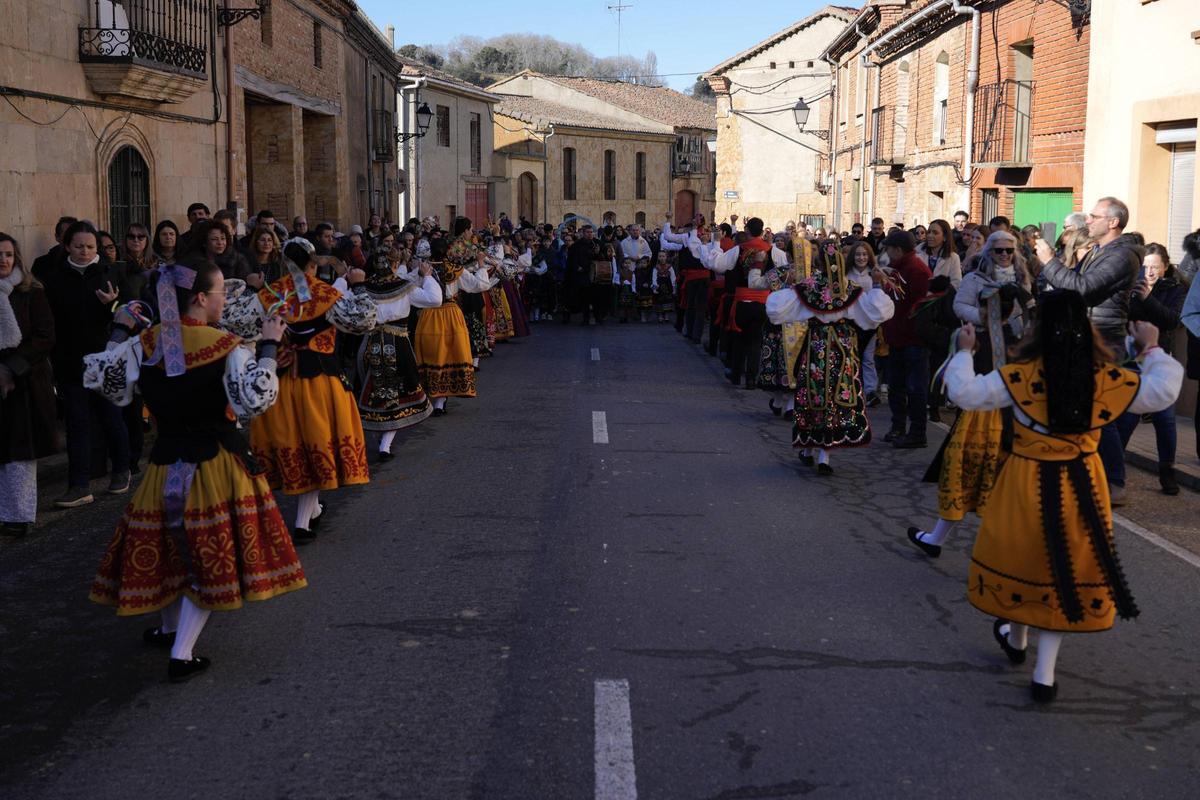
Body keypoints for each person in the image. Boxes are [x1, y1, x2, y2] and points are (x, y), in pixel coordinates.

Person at [943, 291, 1182, 703]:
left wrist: (964, 352)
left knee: (1026, 561)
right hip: (1081, 483)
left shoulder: (1018, 377)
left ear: (1037, 329)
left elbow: (964, 392)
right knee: (1062, 571)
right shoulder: (1105, 379)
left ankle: (1017, 641)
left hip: (1025, 479)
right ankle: (1043, 672)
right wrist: (1151, 347)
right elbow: (1162, 391)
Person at [83, 257, 305, 683]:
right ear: (201, 298)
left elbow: (106, 382)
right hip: (216, 465)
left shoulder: (145, 343)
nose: (225, 301)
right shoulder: (226, 346)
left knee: (168, 546)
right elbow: (254, 400)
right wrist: (269, 347)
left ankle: (169, 630)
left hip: (165, 462)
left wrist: (121, 330)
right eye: (221, 293)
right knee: (208, 554)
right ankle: (182, 653)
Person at [220, 240, 376, 545]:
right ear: (313, 264)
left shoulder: (270, 294)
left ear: (283, 262)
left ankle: (311, 512)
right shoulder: (324, 294)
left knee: (295, 446)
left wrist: (250, 290)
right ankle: (303, 523)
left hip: (279, 383)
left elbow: (235, 321)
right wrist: (359, 286)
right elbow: (363, 320)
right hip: (320, 384)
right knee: (313, 447)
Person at [908, 230, 1032, 557]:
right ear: (989, 251)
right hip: (982, 352)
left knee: (1004, 466)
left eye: (1009, 250)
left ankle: (1001, 550)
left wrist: (1013, 317)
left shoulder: (1022, 278)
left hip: (1010, 361)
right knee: (965, 459)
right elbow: (959, 306)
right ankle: (937, 538)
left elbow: (1028, 314)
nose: (1004, 255)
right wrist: (987, 316)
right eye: (999, 250)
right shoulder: (975, 278)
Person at [1035, 197, 1142, 505]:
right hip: (1087, 336)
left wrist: (1049, 261)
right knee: (1092, 410)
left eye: (1095, 216)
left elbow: (1081, 289)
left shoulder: (1122, 256)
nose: (1089, 220)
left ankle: (1114, 481)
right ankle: (1092, 473)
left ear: (1113, 222)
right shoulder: (1099, 250)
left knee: (1100, 412)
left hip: (1104, 339)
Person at [766, 240, 896, 474]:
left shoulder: (810, 287)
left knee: (814, 395)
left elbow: (777, 309)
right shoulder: (849, 288)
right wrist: (877, 286)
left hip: (816, 346)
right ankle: (824, 455)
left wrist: (791, 284)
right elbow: (875, 313)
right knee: (834, 398)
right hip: (841, 348)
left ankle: (809, 450)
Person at [41, 221, 131, 507]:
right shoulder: (55, 279)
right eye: (79, 246)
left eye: (90, 246)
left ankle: (122, 469)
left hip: (105, 359)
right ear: (67, 246)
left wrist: (112, 305)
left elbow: (132, 315)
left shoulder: (111, 272)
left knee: (111, 418)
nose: (85, 251)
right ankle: (79, 485)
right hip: (70, 362)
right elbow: (50, 321)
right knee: (77, 425)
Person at [356, 249, 440, 459]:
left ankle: (380, 437)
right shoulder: (404, 287)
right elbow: (434, 299)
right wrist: (427, 276)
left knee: (374, 388)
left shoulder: (364, 288)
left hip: (371, 342)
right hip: (398, 344)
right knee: (397, 391)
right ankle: (385, 444)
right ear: (394, 265)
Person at [0, 233, 57, 537]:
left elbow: (45, 336)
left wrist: (11, 368)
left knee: (20, 452)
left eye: (8, 254)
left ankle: (17, 515)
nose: (4, 260)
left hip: (25, 383)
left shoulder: (31, 291)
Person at [1119, 243, 1186, 494]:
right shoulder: (1129, 286)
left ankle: (1167, 471)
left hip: (1159, 359)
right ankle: (1114, 469)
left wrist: (1148, 298)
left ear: (1165, 267)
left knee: (1165, 419)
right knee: (1128, 417)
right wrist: (1138, 297)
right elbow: (1126, 316)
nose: (1149, 272)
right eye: (1145, 267)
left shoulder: (1175, 289)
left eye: (1155, 267)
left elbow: (1171, 320)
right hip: (1130, 358)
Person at [414, 232, 487, 413]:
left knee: (432, 355)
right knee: (450, 355)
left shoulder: (422, 269)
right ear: (447, 251)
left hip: (429, 315)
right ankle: (440, 402)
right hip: (451, 314)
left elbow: (407, 285)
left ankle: (434, 399)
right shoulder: (455, 269)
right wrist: (481, 265)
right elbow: (479, 285)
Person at [879, 229, 933, 448]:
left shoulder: (917, 270)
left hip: (913, 338)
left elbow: (918, 304)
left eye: (889, 249)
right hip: (898, 336)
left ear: (898, 250)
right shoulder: (899, 268)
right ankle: (898, 426)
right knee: (896, 386)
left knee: (915, 388)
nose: (887, 253)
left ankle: (918, 432)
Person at [916, 219, 962, 289]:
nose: (930, 235)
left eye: (935, 233)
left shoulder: (953, 258)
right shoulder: (917, 254)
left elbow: (956, 283)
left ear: (945, 237)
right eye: (929, 232)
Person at [31, 216, 78, 282]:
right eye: (67, 234)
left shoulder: (87, 264)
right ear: (57, 237)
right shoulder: (41, 264)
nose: (71, 238)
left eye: (75, 234)